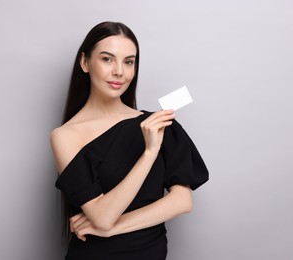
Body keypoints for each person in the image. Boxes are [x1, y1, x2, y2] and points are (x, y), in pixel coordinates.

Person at [50, 21, 209, 260]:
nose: (119, 72)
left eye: (129, 62)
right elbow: (102, 217)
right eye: (107, 59)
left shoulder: (157, 124)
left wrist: (116, 227)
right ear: (85, 62)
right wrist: (149, 152)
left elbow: (182, 201)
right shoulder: (65, 135)